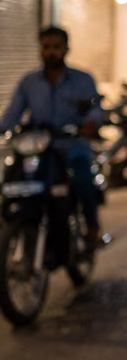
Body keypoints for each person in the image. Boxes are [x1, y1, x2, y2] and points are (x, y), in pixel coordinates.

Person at [1, 27, 104, 250]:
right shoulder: (29, 82)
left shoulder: (82, 80)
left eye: (56, 47)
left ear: (66, 49)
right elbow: (12, 114)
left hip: (72, 145)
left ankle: (92, 227)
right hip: (39, 148)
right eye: (46, 47)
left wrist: (90, 123)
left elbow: (95, 108)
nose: (51, 52)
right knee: (13, 178)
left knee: (83, 177)